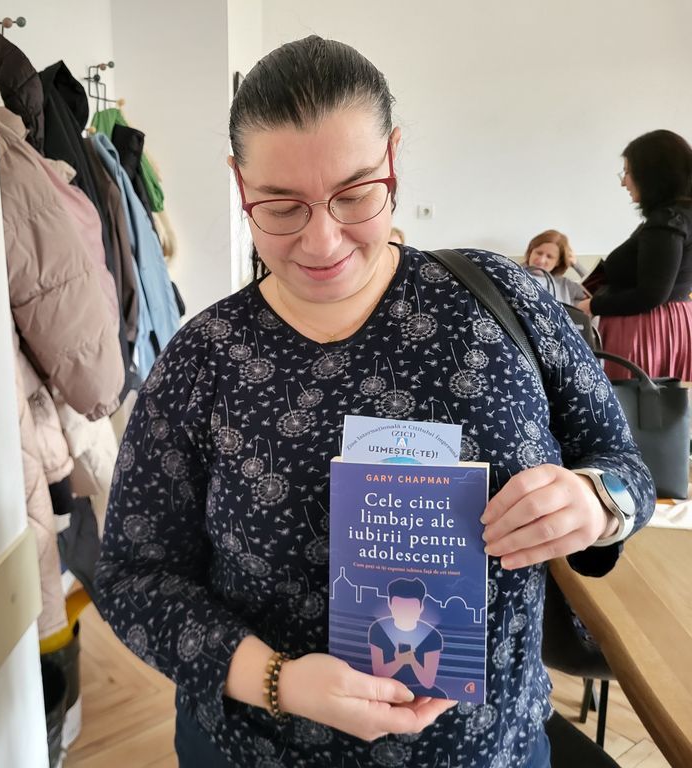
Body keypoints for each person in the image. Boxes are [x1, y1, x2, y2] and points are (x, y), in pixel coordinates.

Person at [94, 36, 654, 768]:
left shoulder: (503, 301)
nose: (323, 241)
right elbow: (133, 579)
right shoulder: (203, 361)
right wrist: (278, 680)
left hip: (493, 748)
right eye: (281, 207)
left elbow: (624, 468)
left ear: (392, 157)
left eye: (355, 195)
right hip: (260, 751)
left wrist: (596, 502)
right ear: (239, 184)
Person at [576, 130, 692, 380]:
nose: (623, 182)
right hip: (671, 322)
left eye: (627, 172)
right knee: (665, 402)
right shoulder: (678, 218)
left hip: (647, 329)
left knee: (638, 401)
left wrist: (592, 305)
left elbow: (651, 294)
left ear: (652, 175)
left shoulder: (666, 222)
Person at [368, 578, 447, 699]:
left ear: (421, 608)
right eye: (400, 606)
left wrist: (412, 661)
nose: (405, 612)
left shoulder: (432, 635)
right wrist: (398, 662)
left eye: (411, 608)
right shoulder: (378, 629)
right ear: (390, 605)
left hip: (422, 691)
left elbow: (428, 682)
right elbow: (377, 674)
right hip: (383, 688)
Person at [523, 229, 588, 306]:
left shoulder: (565, 285)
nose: (541, 260)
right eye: (539, 253)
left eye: (549, 257)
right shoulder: (514, 273)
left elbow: (597, 293)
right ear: (531, 252)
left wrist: (576, 264)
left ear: (558, 262)